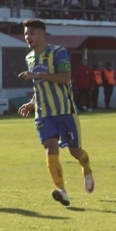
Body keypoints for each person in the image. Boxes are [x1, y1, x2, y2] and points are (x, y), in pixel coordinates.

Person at [17, 19, 94, 206]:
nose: (28, 37)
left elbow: (65, 78)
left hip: (65, 111)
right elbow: (39, 88)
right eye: (26, 34)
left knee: (76, 152)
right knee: (50, 148)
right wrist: (32, 103)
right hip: (44, 113)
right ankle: (62, 190)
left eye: (32, 33)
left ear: (43, 34)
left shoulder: (58, 52)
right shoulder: (29, 58)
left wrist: (38, 75)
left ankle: (87, 168)